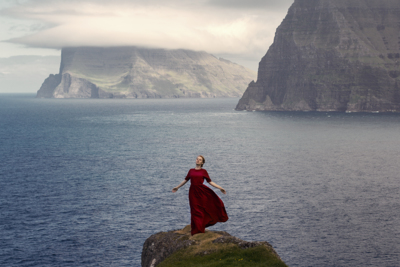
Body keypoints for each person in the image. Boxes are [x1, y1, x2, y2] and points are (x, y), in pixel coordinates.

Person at [172, 155, 228, 235]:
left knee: (201, 210)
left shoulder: (204, 171)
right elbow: (185, 180)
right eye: (197, 159)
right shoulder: (191, 171)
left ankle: (200, 229)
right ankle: (196, 229)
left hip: (202, 192)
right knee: (194, 210)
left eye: (200, 159)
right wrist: (177, 187)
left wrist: (220, 188)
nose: (198, 160)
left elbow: (210, 181)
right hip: (192, 192)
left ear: (202, 162)